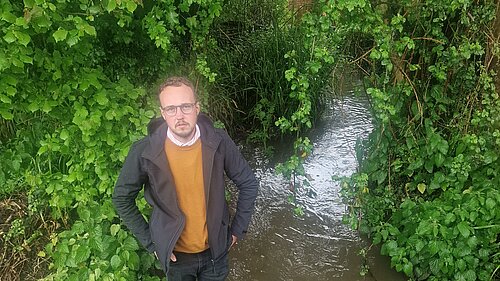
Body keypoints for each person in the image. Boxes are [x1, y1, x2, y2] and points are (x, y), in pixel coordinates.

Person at [112, 76, 259, 280]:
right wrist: (152, 243)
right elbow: (121, 198)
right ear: (163, 113)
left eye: (186, 106)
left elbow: (248, 183)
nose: (179, 115)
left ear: (197, 108)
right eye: (171, 109)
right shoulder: (145, 151)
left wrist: (237, 230)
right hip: (176, 259)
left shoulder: (218, 141)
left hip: (216, 253)